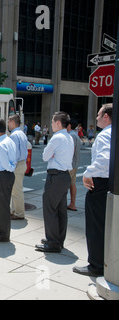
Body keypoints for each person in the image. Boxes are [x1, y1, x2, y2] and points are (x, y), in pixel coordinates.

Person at [73, 104, 112, 277]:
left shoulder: (105, 135)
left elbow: (105, 159)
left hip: (100, 184)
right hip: (111, 185)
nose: (96, 118)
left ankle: (95, 265)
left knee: (96, 226)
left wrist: (88, 173)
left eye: (98, 115)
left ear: (106, 117)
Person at [35, 112, 74, 253]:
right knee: (61, 210)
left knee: (50, 209)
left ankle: (52, 242)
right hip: (64, 176)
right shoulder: (69, 137)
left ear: (58, 123)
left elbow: (45, 156)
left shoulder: (57, 138)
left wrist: (51, 154)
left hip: (55, 176)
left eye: (52, 122)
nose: (51, 124)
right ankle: (58, 240)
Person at [0, 118, 17, 242]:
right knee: (3, 205)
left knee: (1, 207)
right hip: (7, 175)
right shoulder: (9, 140)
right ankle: (1, 230)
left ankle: (2, 234)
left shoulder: (0, 145)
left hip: (2, 175)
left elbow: (6, 165)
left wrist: (9, 169)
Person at [8, 114, 28, 220]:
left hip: (17, 165)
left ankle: (19, 213)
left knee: (16, 191)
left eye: (8, 122)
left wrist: (11, 166)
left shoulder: (14, 135)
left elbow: (14, 153)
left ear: (12, 122)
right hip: (22, 163)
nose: (8, 124)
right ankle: (13, 210)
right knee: (16, 190)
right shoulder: (21, 133)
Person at [67, 118, 81, 212]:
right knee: (72, 184)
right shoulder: (75, 135)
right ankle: (72, 204)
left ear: (69, 125)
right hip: (75, 164)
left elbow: (71, 150)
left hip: (70, 164)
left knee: (64, 185)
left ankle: (69, 204)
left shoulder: (71, 135)